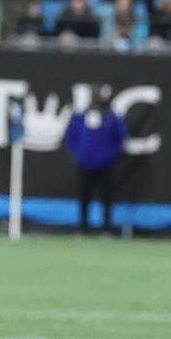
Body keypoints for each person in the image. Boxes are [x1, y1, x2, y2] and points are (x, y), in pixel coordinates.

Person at [64, 86, 128, 235]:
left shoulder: (111, 118)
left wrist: (111, 155)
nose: (97, 100)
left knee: (106, 197)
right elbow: (70, 137)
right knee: (84, 196)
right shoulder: (80, 116)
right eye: (94, 96)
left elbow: (121, 138)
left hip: (105, 164)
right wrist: (79, 153)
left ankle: (106, 227)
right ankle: (83, 227)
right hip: (85, 163)